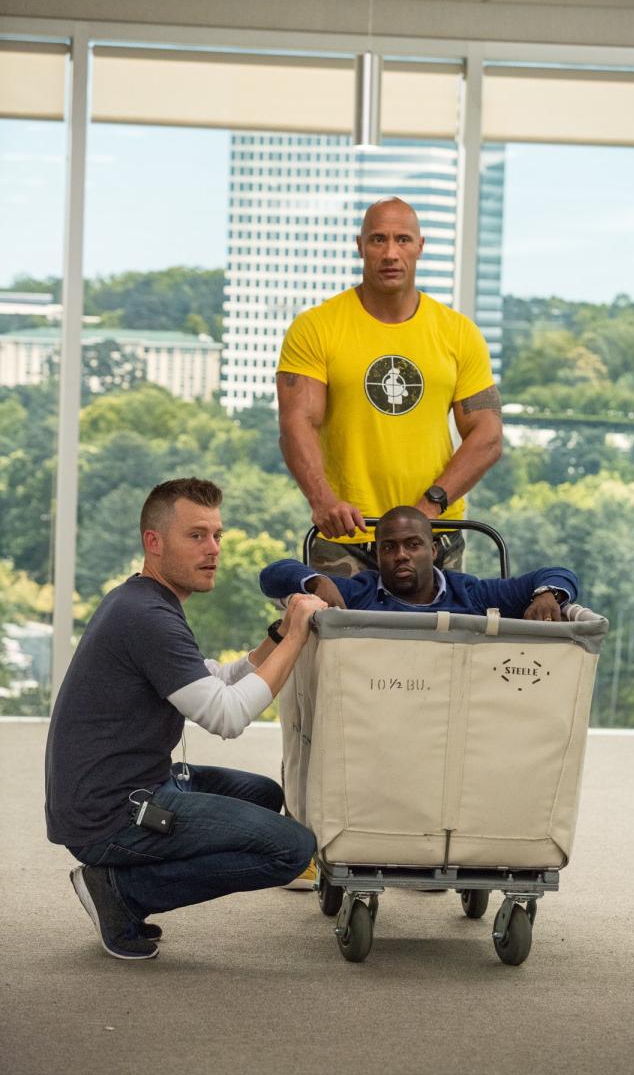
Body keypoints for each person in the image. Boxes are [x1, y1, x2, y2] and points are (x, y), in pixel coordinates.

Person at [45, 477, 327, 961]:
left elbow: (210, 680)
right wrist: (299, 636)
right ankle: (123, 891)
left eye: (216, 535)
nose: (213, 549)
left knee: (263, 795)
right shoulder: (147, 617)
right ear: (153, 543)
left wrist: (279, 637)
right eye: (196, 536)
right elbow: (226, 714)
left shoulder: (144, 601)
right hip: (113, 813)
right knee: (291, 849)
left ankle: (127, 881)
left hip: (134, 785)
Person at [276, 196, 503, 576]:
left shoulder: (460, 333)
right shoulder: (316, 327)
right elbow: (296, 423)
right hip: (348, 534)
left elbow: (488, 434)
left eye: (402, 240)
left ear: (420, 247)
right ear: (360, 246)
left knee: (441, 637)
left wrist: (428, 508)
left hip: (435, 536)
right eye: (378, 240)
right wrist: (323, 501)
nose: (390, 253)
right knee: (339, 637)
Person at [260, 507, 578, 622]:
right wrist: (316, 581)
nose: (401, 555)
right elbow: (272, 575)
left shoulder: (472, 593)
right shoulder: (357, 593)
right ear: (377, 555)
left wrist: (548, 595)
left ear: (434, 550)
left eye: (413, 545)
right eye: (389, 547)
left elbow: (559, 574)